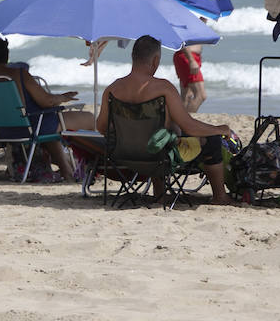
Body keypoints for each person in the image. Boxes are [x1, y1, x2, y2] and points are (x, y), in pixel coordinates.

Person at [97, 36, 238, 205]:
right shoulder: (163, 88)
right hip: (158, 156)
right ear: (155, 60)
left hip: (123, 155)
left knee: (162, 134)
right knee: (212, 140)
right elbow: (189, 126)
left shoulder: (112, 89)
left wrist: (130, 136)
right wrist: (220, 129)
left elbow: (101, 127)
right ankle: (220, 197)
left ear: (133, 57)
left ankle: (160, 193)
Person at [0, 37, 92, 184]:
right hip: (29, 128)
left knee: (46, 125)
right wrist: (62, 98)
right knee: (89, 118)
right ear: (6, 54)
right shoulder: (20, 74)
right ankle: (91, 167)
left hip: (2, 130)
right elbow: (46, 101)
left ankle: (67, 170)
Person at [173, 44, 205, 113]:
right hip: (188, 56)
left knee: (186, 96)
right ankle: (186, 121)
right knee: (201, 95)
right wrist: (191, 60)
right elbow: (183, 41)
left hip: (189, 55)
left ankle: (179, 120)